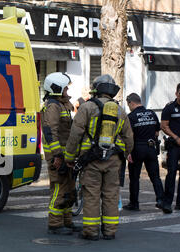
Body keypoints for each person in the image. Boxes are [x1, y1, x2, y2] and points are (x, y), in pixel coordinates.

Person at [64, 75, 134, 240]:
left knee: (91, 195)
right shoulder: (120, 110)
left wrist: (69, 157)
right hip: (113, 160)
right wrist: (124, 154)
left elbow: (76, 134)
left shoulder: (86, 107)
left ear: (95, 89)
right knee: (111, 195)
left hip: (91, 160)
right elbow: (129, 137)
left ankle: (91, 231)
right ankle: (110, 231)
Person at [40, 72, 81, 235]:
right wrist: (57, 155)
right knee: (59, 188)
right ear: (56, 88)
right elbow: (51, 132)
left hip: (66, 155)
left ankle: (67, 221)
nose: (66, 91)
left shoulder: (62, 104)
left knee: (69, 188)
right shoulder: (52, 106)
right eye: (64, 88)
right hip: (58, 156)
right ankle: (55, 224)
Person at [124, 93, 164, 211]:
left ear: (131, 102)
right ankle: (161, 200)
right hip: (151, 147)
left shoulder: (131, 116)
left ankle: (134, 204)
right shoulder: (151, 113)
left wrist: (128, 152)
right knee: (155, 177)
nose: (129, 107)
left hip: (137, 148)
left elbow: (129, 136)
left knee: (134, 178)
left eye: (128, 104)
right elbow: (157, 132)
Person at [160, 83, 180, 213]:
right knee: (171, 173)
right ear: (177, 93)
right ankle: (167, 203)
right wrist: (176, 137)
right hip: (174, 146)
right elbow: (163, 126)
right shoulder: (170, 108)